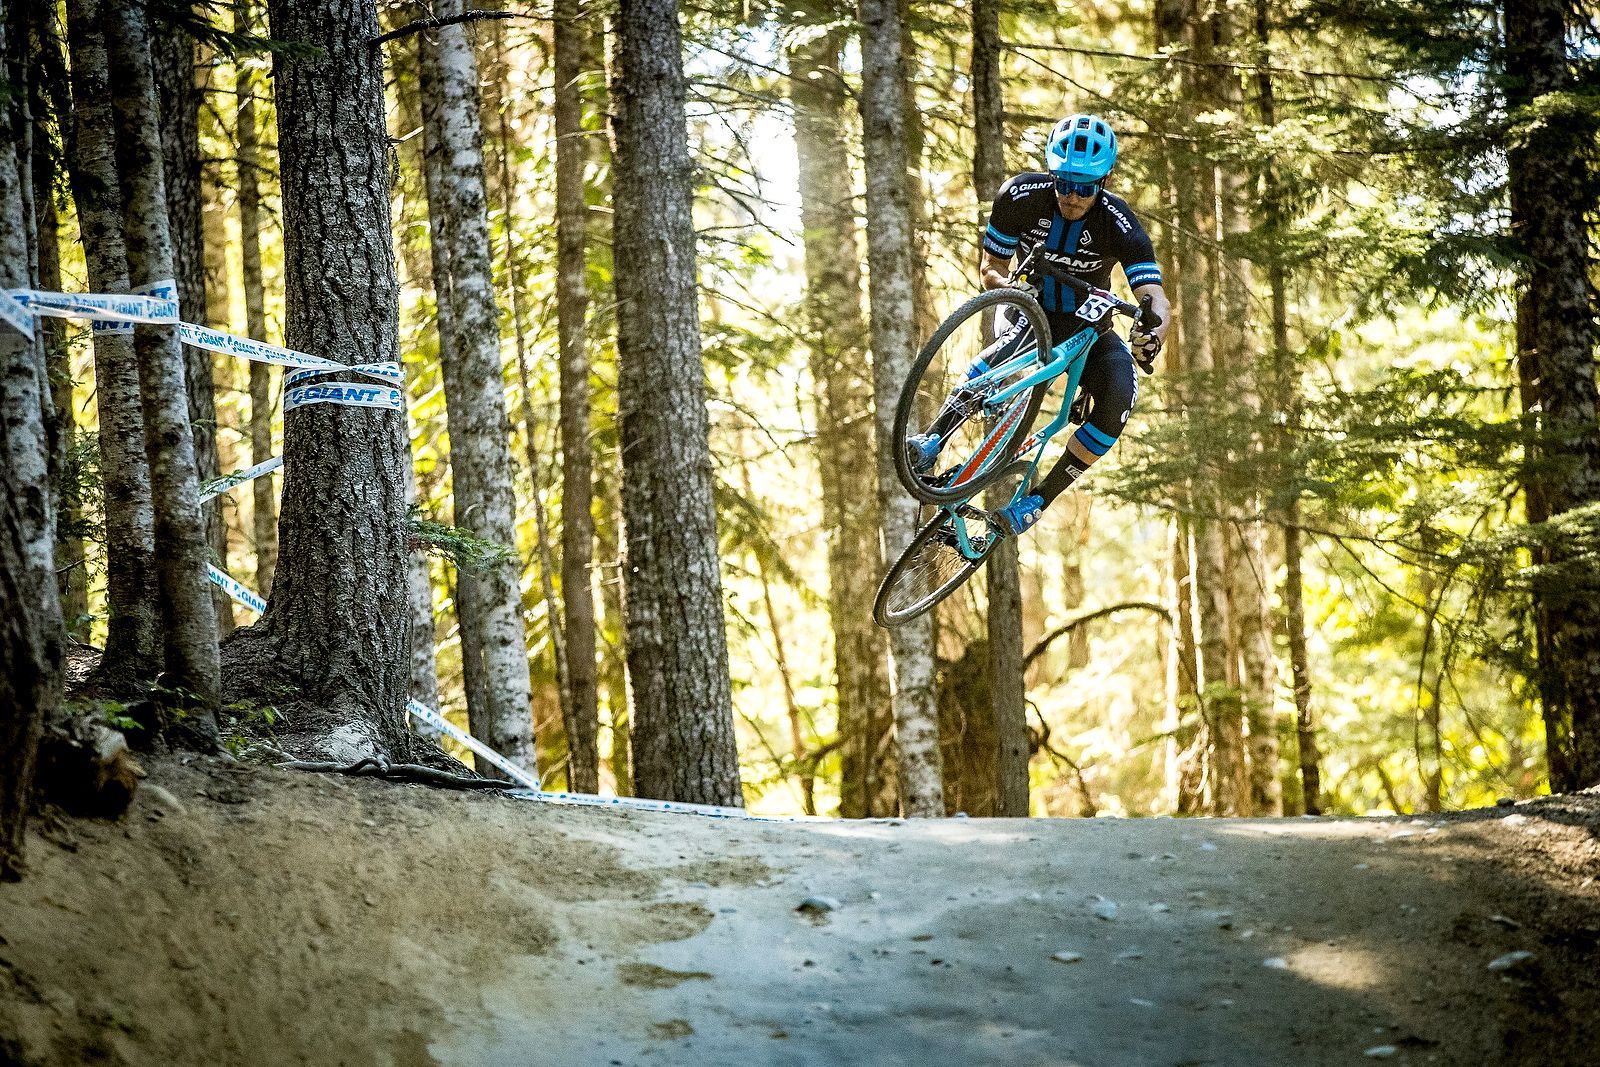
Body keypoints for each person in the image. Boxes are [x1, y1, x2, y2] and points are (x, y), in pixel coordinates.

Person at [906, 113, 1171, 536]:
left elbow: (1154, 297)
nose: (1071, 196)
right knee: (1014, 341)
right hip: (1025, 305)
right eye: (1063, 183)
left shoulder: (1119, 222)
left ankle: (1037, 501)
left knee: (1119, 397)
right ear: (1051, 175)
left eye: (1084, 188)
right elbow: (990, 266)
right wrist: (1008, 287)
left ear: (1103, 183)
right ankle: (933, 440)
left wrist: (1151, 333)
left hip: (1087, 324)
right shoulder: (1020, 196)